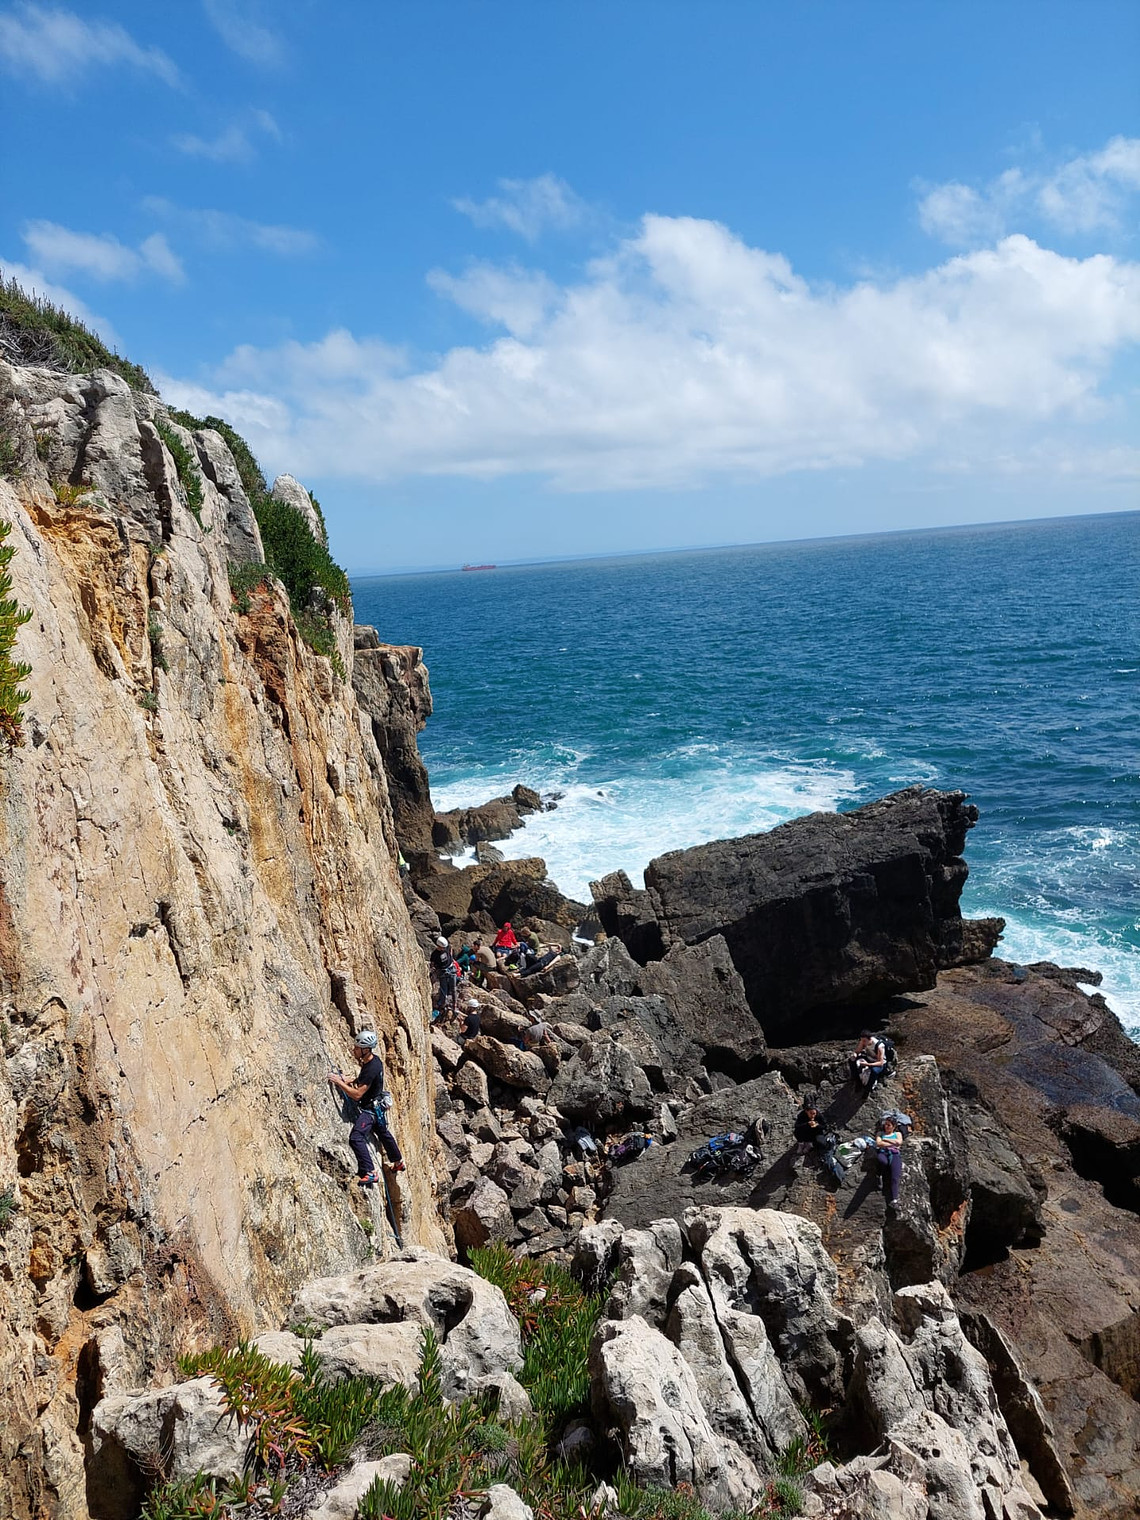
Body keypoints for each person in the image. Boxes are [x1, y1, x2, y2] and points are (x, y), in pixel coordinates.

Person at [328, 1030, 404, 1185]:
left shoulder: (371, 1067)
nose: (354, 1050)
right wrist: (350, 1080)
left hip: (370, 1111)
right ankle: (398, 1162)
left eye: (357, 1048)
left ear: (366, 1050)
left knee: (356, 1137)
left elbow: (357, 1095)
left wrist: (339, 1082)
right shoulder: (373, 1061)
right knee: (383, 1133)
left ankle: (370, 1172)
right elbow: (366, 1080)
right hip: (378, 1107)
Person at [874, 1114, 904, 1206]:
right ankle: (880, 1175)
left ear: (893, 1127)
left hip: (894, 1154)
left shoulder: (897, 1134)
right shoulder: (880, 1133)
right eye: (885, 1124)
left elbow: (899, 1142)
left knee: (895, 1177)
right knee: (882, 1161)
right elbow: (878, 1143)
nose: (886, 1126)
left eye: (889, 1125)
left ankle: (894, 1199)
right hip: (883, 1152)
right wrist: (893, 1143)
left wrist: (885, 1140)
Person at [430, 935, 459, 1013]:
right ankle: (442, 1004)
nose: (443, 949)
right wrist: (434, 971)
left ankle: (454, 1004)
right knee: (443, 989)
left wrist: (451, 958)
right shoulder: (435, 954)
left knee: (453, 988)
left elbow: (450, 948)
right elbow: (432, 963)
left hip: (451, 968)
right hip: (442, 971)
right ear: (438, 946)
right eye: (442, 948)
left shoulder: (447, 947)